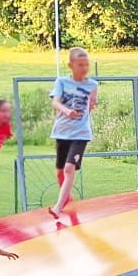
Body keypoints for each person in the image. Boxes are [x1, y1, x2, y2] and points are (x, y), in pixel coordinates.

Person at [48, 47, 99, 218]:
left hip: (80, 134)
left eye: (86, 65)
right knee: (60, 171)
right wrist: (67, 111)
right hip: (62, 132)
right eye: (80, 65)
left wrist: (83, 116)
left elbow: (91, 104)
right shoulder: (62, 82)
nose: (84, 68)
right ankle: (67, 198)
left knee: (69, 168)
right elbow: (55, 102)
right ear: (71, 65)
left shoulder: (92, 85)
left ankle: (57, 207)